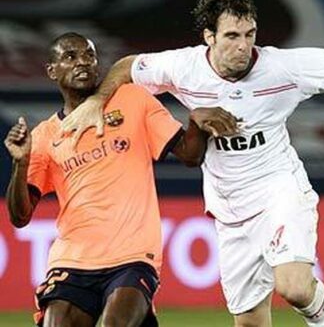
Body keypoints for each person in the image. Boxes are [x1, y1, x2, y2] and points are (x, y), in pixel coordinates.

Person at [59, 0, 324, 327]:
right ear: (208, 37)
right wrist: (96, 101)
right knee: (249, 320)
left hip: (278, 190)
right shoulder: (182, 67)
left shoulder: (283, 68)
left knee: (296, 287)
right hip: (229, 208)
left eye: (249, 34)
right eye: (232, 35)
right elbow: (129, 67)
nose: (242, 45)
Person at [4, 32, 238, 326]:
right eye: (70, 57)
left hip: (132, 257)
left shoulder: (132, 99)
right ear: (52, 70)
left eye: (89, 55)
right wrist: (21, 163)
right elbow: (20, 216)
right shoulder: (44, 136)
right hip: (72, 262)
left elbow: (191, 155)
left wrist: (196, 121)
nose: (83, 63)